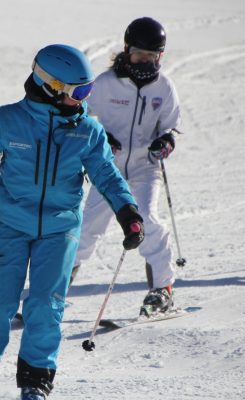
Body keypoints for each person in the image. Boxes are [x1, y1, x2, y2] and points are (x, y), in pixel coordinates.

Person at [0, 44, 144, 400]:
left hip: (59, 231)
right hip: (10, 227)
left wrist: (128, 213)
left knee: (46, 308)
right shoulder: (9, 120)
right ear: (51, 86)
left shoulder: (88, 132)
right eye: (79, 91)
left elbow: (108, 178)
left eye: (88, 90)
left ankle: (35, 385)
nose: (84, 99)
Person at [72, 17, 182, 317]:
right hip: (109, 169)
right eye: (138, 54)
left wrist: (164, 143)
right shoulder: (107, 84)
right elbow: (79, 115)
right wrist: (101, 137)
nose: (143, 61)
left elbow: (171, 129)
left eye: (151, 56)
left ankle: (162, 290)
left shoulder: (164, 87)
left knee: (147, 217)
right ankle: (53, 290)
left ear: (160, 55)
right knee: (86, 228)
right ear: (126, 49)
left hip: (146, 168)